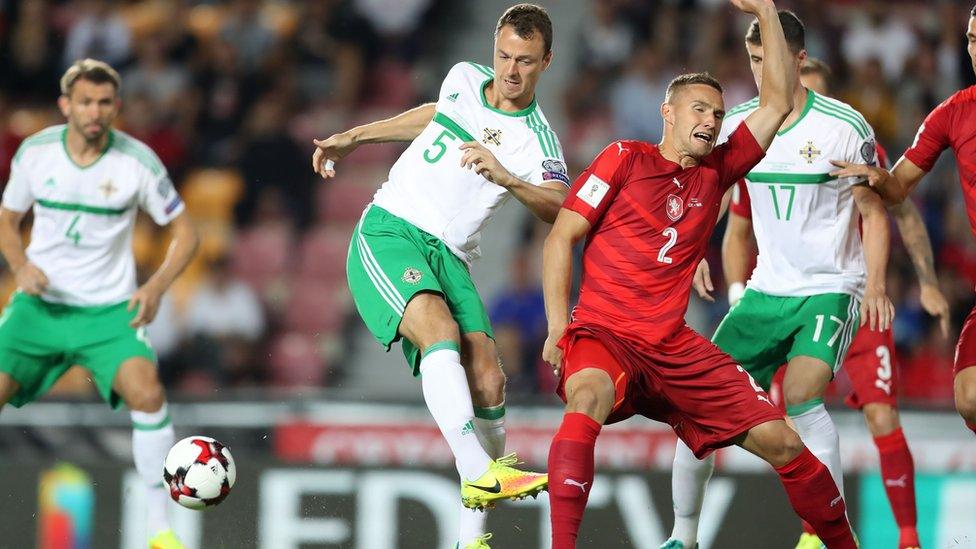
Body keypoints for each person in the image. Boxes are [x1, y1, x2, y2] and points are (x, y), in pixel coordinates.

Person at [542, 1, 857, 547]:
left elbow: (780, 100)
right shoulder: (623, 158)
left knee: (783, 442)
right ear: (668, 112)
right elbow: (560, 237)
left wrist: (763, 8)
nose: (710, 120)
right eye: (698, 110)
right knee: (586, 396)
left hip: (674, 348)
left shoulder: (720, 169)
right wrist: (555, 327)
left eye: (717, 113)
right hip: (606, 334)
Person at [310, 5, 568, 548]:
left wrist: (507, 177)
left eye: (525, 61)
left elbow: (559, 205)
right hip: (391, 231)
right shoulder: (463, 78)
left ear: (547, 61)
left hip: (452, 256)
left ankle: (470, 539)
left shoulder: (538, 141)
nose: (510, 71)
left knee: (491, 382)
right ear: (493, 48)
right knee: (439, 331)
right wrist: (356, 136)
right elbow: (434, 113)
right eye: (503, 55)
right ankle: (478, 469)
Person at [660, 11, 896, 549]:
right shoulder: (743, 123)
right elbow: (714, 194)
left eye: (770, 59)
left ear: (800, 60)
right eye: (754, 60)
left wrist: (876, 284)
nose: (762, 69)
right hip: (768, 291)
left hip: (831, 286)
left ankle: (821, 535)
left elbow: (873, 210)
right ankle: (684, 537)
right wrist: (696, 249)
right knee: (695, 402)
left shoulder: (844, 125)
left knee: (803, 393)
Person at [710, 57, 945, 549]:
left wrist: (924, 280)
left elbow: (898, 213)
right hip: (789, 304)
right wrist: (738, 296)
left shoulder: (853, 142)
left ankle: (908, 538)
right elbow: (737, 228)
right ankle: (814, 533)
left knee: (880, 414)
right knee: (796, 410)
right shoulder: (764, 146)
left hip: (856, 300)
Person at [0, 59, 198, 549]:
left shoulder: (137, 162)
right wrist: (20, 267)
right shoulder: (36, 152)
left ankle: (159, 528)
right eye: (85, 101)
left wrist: (155, 287)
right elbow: (6, 218)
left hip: (108, 312)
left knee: (148, 393)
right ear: (66, 104)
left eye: (104, 102)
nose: (94, 111)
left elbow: (186, 232)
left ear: (117, 107)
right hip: (40, 307)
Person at [831, 4, 976, 441]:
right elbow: (899, 189)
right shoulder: (953, 114)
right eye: (971, 38)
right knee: (968, 394)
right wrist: (879, 178)